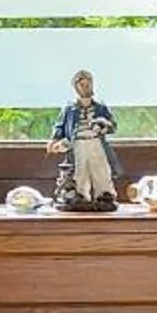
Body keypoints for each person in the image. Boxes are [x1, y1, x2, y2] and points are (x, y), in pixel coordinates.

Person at [47, 69, 123, 211]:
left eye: (87, 84)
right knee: (79, 171)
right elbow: (60, 126)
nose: (85, 88)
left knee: (101, 169)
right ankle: (80, 195)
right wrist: (54, 141)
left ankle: (104, 194)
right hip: (77, 144)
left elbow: (113, 125)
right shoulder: (69, 109)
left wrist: (104, 126)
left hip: (95, 142)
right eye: (81, 85)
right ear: (76, 87)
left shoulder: (100, 107)